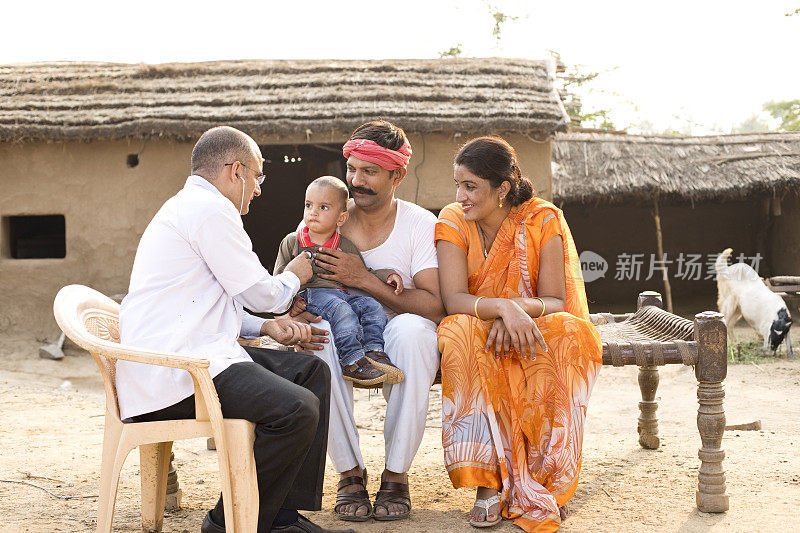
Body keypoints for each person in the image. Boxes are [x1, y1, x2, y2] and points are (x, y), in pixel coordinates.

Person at [117, 126, 352, 533]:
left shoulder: (192, 206)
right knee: (296, 408)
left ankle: (278, 514)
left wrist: (268, 329)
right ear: (236, 171)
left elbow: (206, 305)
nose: (259, 190)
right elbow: (265, 294)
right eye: (258, 177)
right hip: (178, 370)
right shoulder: (209, 211)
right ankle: (227, 522)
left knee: (311, 373)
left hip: (191, 352)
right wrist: (295, 275)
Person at [435, 136, 602, 532]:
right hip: (477, 322)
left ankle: (546, 480)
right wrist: (502, 309)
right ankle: (488, 483)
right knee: (459, 331)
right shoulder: (452, 219)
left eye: (470, 186)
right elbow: (454, 298)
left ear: (503, 188)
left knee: (567, 333)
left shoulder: (542, 218)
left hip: (533, 322)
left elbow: (555, 299)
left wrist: (517, 314)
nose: (461, 196)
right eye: (458, 185)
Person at [292, 120, 444, 522]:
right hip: (338, 328)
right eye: (351, 169)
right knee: (320, 335)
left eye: (369, 172)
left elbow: (435, 305)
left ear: (398, 175)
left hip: (397, 329)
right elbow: (293, 283)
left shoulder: (419, 224)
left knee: (412, 333)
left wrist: (363, 280)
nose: (356, 181)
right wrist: (298, 311)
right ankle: (350, 474)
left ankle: (396, 474)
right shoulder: (324, 221)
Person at [274, 176, 405, 387]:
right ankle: (352, 361)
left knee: (371, 306)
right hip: (310, 295)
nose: (313, 212)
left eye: (323, 207)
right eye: (308, 205)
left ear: (341, 218)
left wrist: (388, 275)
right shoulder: (293, 241)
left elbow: (364, 271)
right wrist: (290, 305)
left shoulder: (344, 245)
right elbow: (278, 279)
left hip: (342, 294)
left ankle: (374, 352)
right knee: (340, 309)